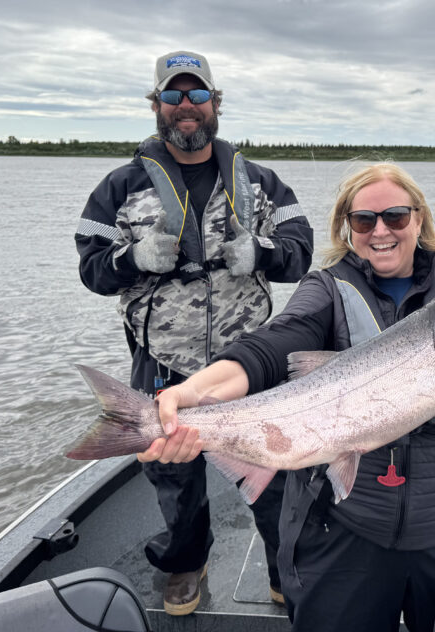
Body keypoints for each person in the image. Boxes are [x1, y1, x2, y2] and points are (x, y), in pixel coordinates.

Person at [141, 162, 435, 632]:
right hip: (343, 524)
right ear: (348, 228)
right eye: (364, 220)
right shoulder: (326, 288)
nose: (380, 230)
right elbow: (273, 344)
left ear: (419, 220)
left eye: (396, 217)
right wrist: (194, 392)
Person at [74, 50, 314, 616]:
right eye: (175, 96)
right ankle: (186, 562)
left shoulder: (261, 183)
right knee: (173, 478)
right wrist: (132, 258)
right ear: (157, 105)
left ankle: (285, 566)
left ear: (216, 105)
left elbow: (301, 253)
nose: (187, 107)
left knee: (274, 468)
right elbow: (91, 269)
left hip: (249, 359)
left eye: (198, 95)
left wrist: (262, 250)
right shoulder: (118, 186)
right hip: (164, 361)